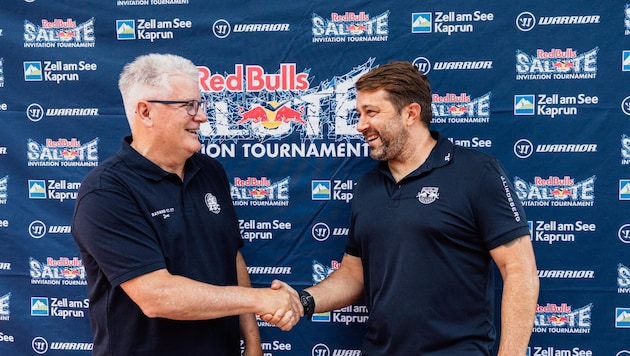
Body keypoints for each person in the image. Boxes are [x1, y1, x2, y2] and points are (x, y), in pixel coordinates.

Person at [292, 61, 539, 355]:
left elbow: (519, 270)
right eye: (359, 114)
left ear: (410, 113)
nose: (360, 125)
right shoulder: (367, 186)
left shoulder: (478, 172)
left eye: (371, 112)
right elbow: (353, 274)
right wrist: (302, 301)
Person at [71, 53, 300, 356]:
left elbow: (231, 256)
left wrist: (253, 343)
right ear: (145, 111)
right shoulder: (106, 191)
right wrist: (261, 300)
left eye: (200, 105)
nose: (202, 116)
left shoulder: (210, 171)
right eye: (188, 106)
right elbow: (157, 296)